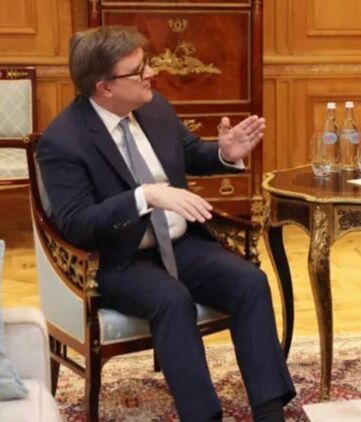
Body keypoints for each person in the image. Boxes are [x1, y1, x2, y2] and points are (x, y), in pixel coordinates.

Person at [37, 26, 295, 421]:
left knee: (249, 282)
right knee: (171, 299)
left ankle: (270, 411)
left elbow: (189, 153)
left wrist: (224, 153)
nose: (152, 73)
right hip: (119, 259)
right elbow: (76, 223)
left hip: (179, 243)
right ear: (105, 87)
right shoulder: (64, 141)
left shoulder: (154, 108)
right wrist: (144, 197)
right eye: (139, 70)